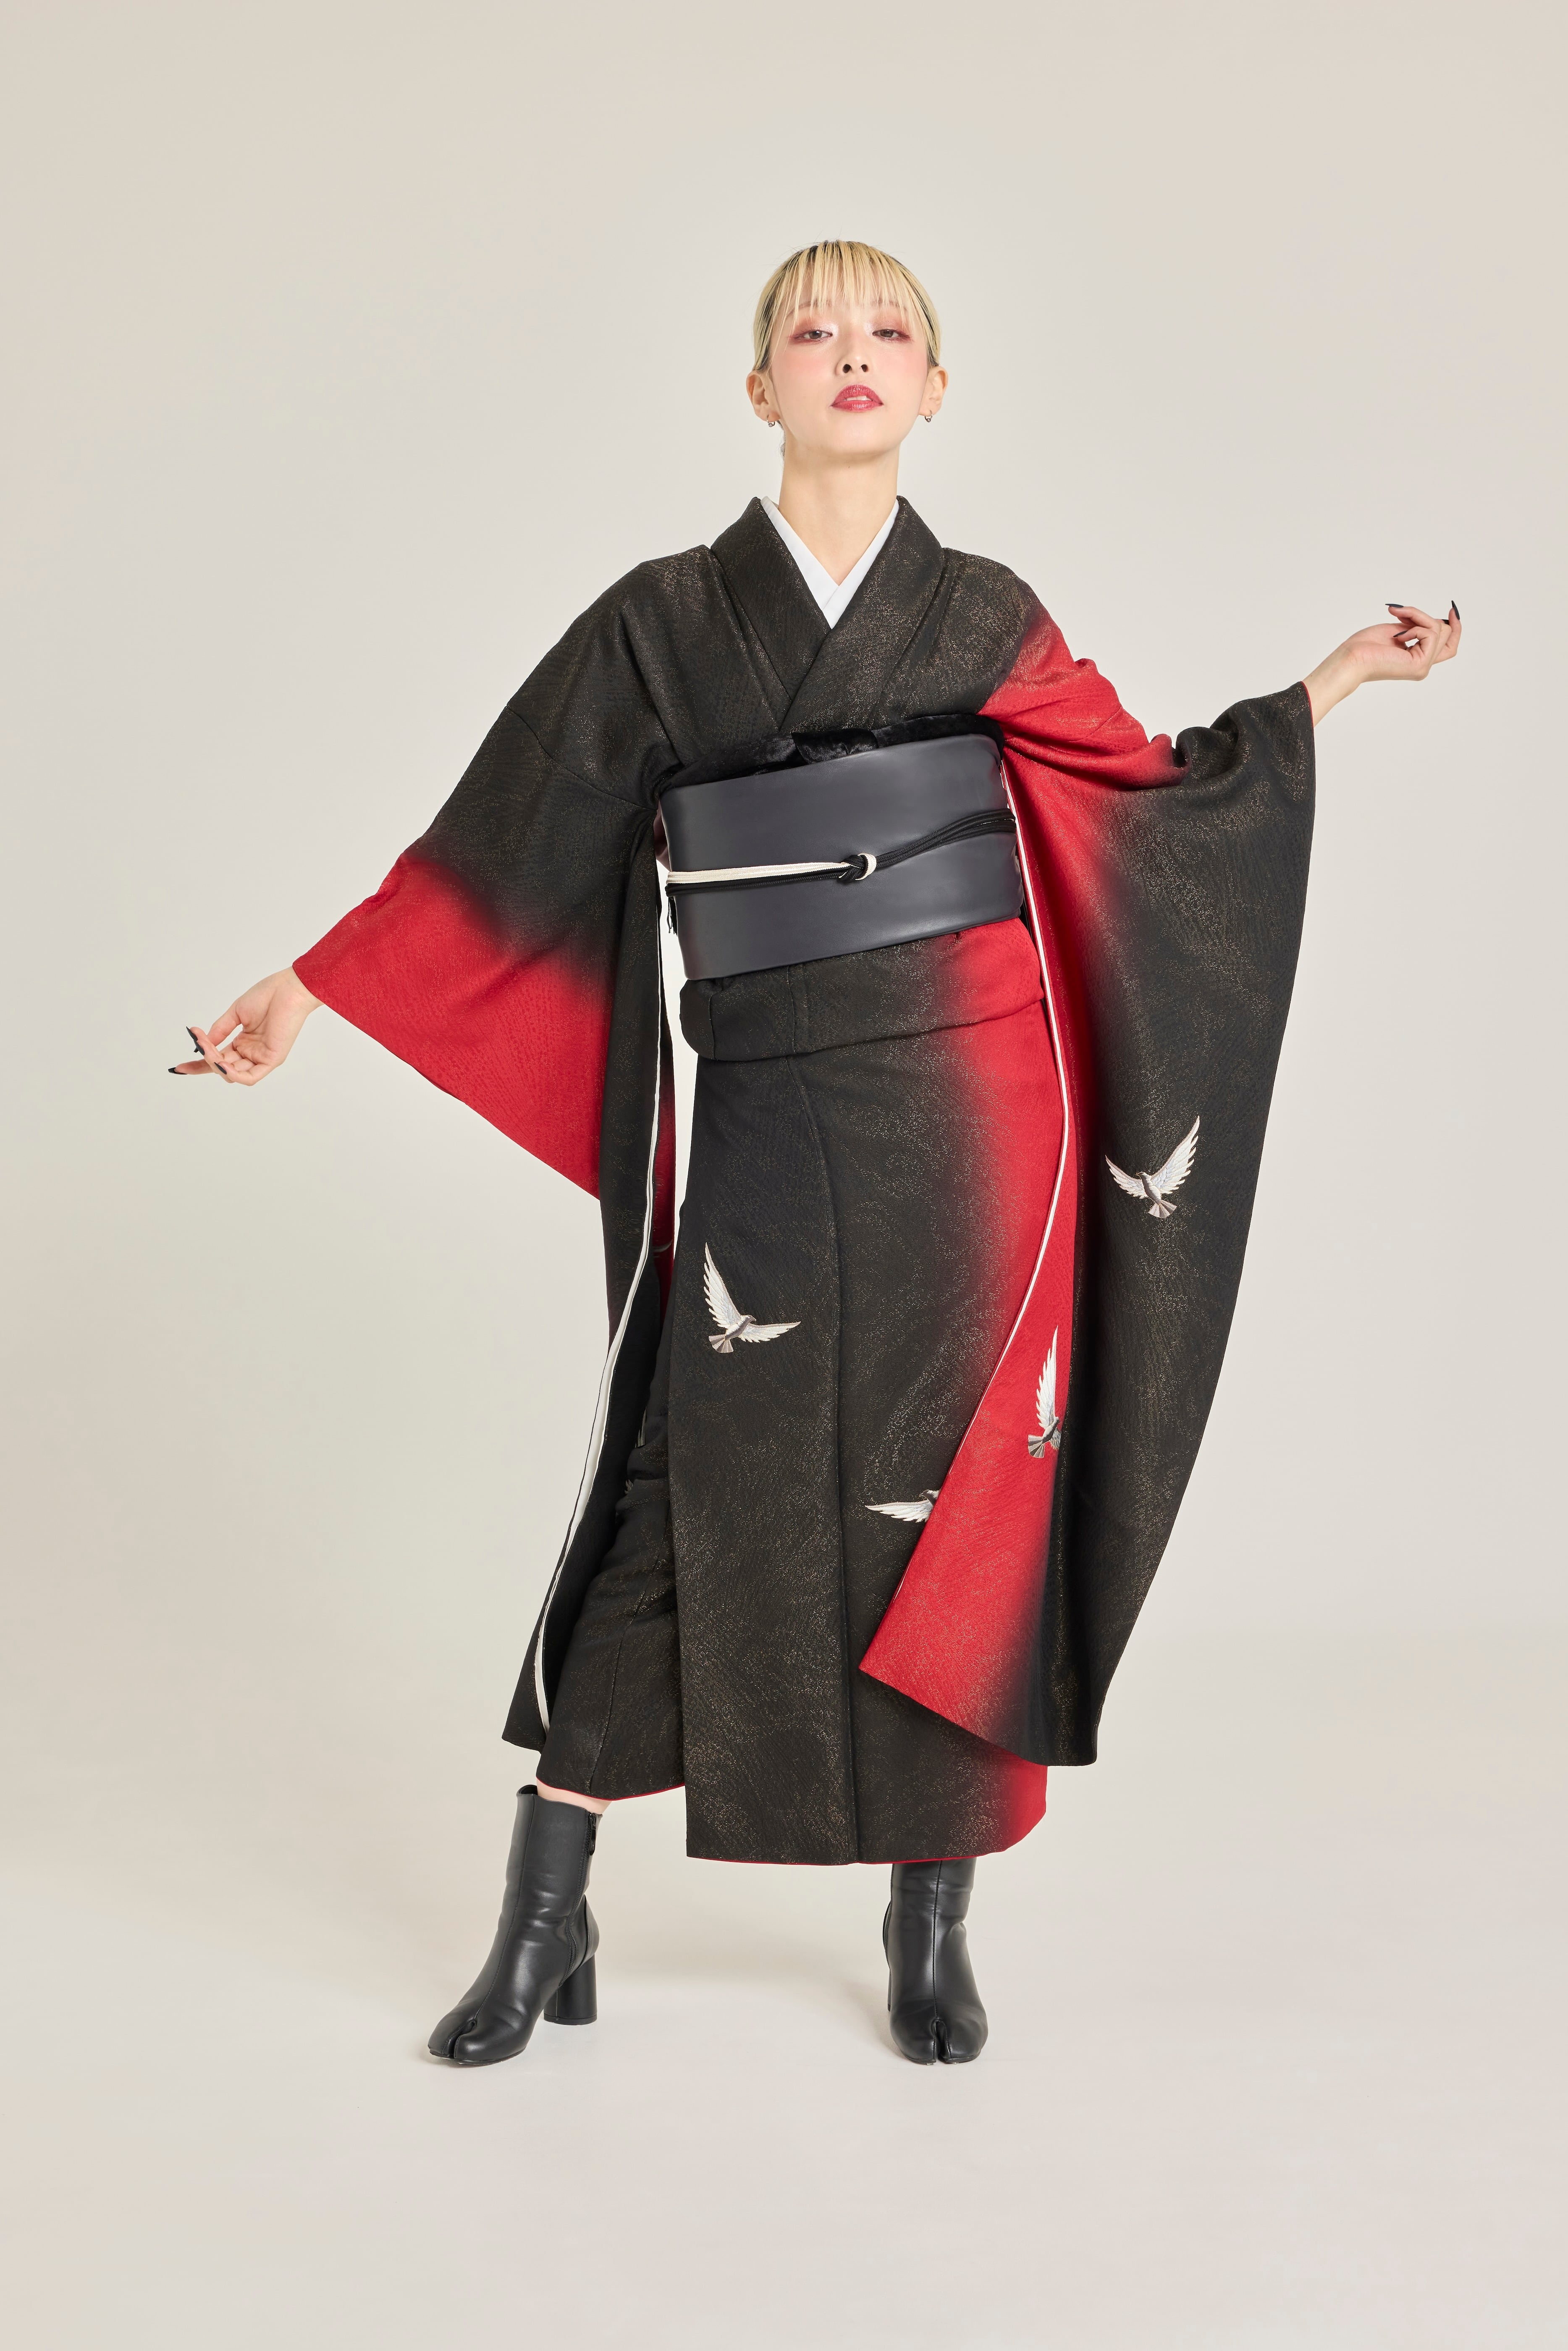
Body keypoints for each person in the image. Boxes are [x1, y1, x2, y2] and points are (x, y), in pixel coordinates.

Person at [171, 241, 1460, 2067]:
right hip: (771, 1098)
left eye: (889, 331)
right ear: (756, 385)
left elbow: (1148, 793)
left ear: (935, 386)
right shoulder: (662, 622)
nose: (851, 353)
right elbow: (505, 825)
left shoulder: (982, 611)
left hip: (971, 1106)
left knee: (949, 1493)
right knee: (684, 1475)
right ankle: (544, 1911)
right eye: (811, 328)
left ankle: (931, 1915)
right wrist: (311, 986)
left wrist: (1333, 683)